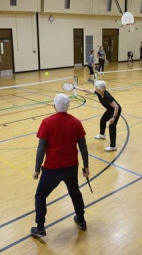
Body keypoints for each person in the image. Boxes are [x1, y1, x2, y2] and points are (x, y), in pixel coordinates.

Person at [31, 93, 90, 237]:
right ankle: (81, 220)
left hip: (52, 168)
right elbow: (83, 146)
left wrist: (37, 169)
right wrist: (86, 167)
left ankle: (40, 227)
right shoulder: (76, 122)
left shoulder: (47, 122)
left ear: (54, 106)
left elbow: (41, 148)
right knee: (75, 192)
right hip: (71, 167)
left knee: (40, 195)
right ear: (68, 106)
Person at [75, 80, 122, 152]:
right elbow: (87, 90)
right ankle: (102, 135)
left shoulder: (107, 96)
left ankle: (113, 146)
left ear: (100, 89)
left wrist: (114, 117)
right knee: (102, 120)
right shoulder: (98, 92)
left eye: (96, 87)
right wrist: (78, 88)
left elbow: (116, 107)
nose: (95, 88)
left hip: (115, 111)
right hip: (110, 109)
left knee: (112, 126)